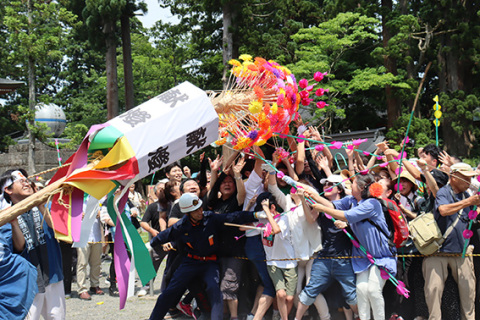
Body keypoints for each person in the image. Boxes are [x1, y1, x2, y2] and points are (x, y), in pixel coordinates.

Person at [147, 193, 260, 320]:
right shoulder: (181, 226)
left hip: (210, 264)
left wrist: (255, 215)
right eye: (195, 211)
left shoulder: (210, 218)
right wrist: (150, 245)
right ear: (187, 213)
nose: (200, 212)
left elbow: (232, 217)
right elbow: (166, 234)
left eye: (200, 208)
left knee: (214, 290)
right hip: (190, 263)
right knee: (169, 292)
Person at [310, 173, 396, 320]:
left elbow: (344, 215)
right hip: (363, 256)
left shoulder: (372, 204)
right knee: (361, 291)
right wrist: (310, 194)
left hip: (381, 256)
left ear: (361, 187)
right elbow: (331, 205)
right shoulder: (351, 200)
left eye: (353, 184)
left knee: (374, 291)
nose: (350, 186)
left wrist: (322, 209)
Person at [1, 169, 66, 319]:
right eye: (20, 180)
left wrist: (42, 205)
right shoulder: (5, 216)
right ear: (8, 189)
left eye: (26, 180)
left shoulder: (45, 206)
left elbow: (58, 230)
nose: (26, 182)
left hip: (53, 273)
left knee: (57, 316)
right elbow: (19, 247)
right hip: (29, 280)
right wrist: (14, 224)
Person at [423, 162, 480, 320]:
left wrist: (475, 205)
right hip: (439, 251)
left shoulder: (466, 195)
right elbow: (443, 210)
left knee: (469, 292)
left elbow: (471, 216)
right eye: (465, 178)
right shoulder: (444, 192)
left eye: (470, 178)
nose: (469, 181)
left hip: (461, 252)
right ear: (454, 177)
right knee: (433, 291)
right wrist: (468, 203)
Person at [138, 180, 169, 297]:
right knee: (152, 263)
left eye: (165, 189)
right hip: (159, 240)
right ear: (156, 193)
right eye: (160, 189)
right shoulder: (152, 207)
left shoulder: (174, 203)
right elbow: (143, 222)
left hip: (174, 240)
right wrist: (151, 230)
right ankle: (146, 286)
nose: (162, 191)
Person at [76, 195, 104, 300]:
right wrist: (79, 215)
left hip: (96, 235)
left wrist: (100, 214)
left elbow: (105, 212)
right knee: (82, 263)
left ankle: (94, 284)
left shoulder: (98, 197)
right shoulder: (77, 198)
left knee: (96, 262)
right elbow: (71, 214)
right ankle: (82, 289)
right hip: (82, 235)